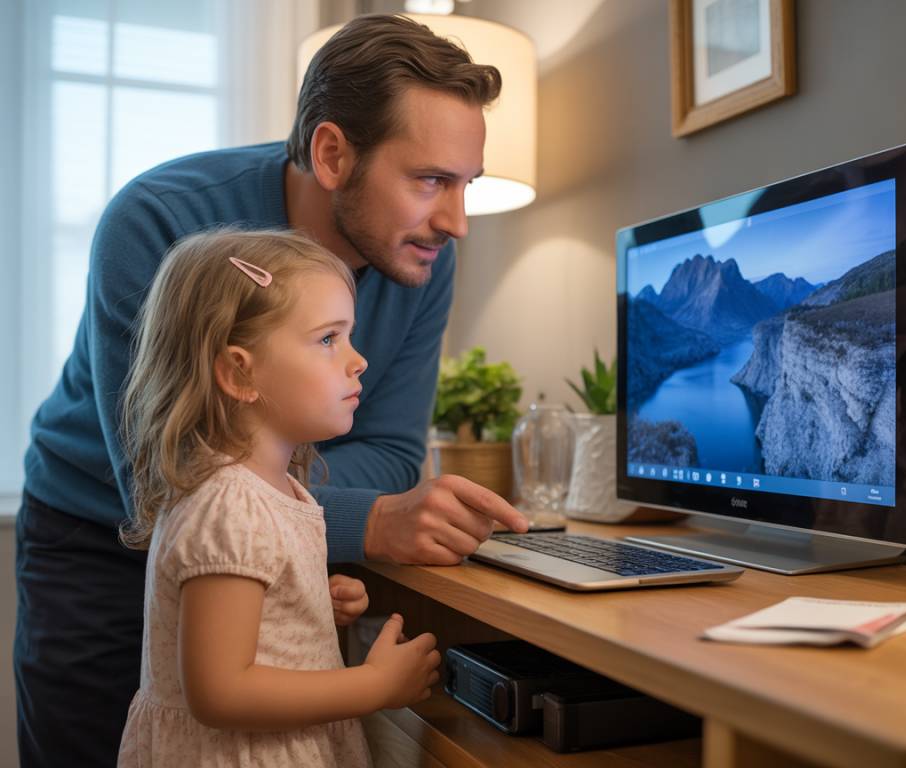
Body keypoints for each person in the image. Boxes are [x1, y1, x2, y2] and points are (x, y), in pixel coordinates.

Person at [16, 13, 527, 768]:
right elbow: (168, 475)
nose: (455, 222)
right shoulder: (156, 221)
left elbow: (389, 453)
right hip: (99, 541)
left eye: (466, 185)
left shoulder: (420, 258)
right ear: (331, 153)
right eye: (429, 181)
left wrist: (303, 530)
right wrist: (368, 523)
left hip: (274, 545)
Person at [115, 229, 440, 767]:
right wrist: (375, 686)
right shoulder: (230, 506)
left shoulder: (275, 488)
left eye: (349, 336)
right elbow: (221, 693)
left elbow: (243, 634)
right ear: (239, 372)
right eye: (328, 339)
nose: (358, 361)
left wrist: (305, 605)